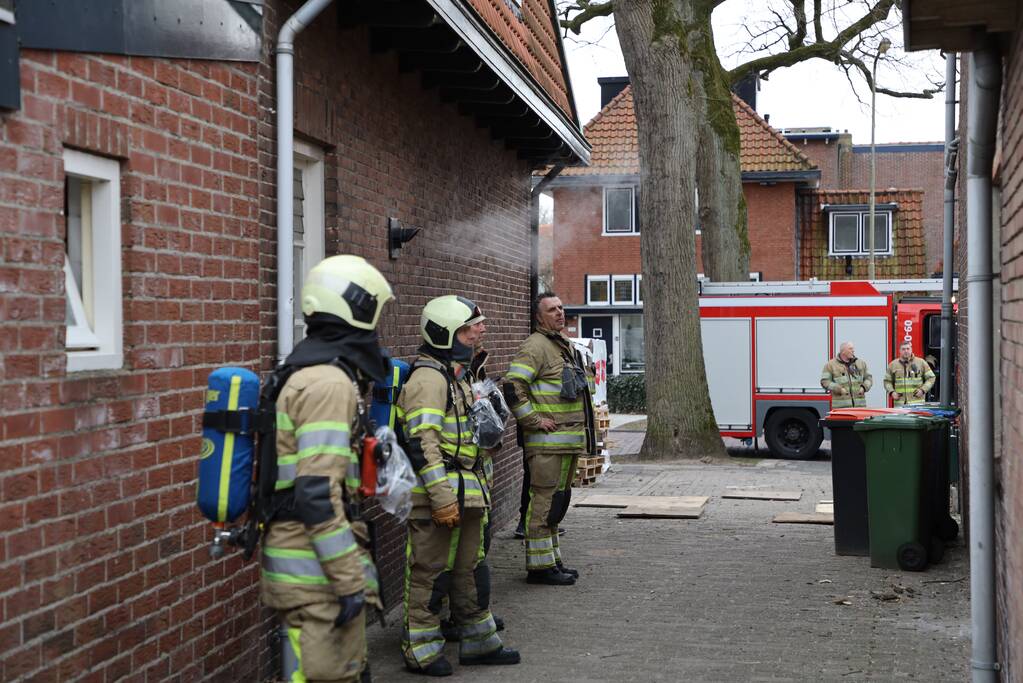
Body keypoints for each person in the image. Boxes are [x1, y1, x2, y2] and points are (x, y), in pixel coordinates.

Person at [260, 254, 394, 683]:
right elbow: (317, 493)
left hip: (303, 565)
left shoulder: (306, 371)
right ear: (356, 309)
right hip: (317, 575)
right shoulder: (328, 383)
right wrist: (350, 581)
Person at [398, 295, 520, 676]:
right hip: (440, 496)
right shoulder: (428, 380)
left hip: (467, 493)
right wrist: (441, 499)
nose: (476, 336)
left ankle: (480, 642)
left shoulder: (457, 375)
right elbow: (423, 443)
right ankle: (420, 650)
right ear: (444, 334)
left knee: (470, 569)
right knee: (430, 572)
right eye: (468, 332)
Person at [506, 292, 595, 586]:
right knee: (543, 504)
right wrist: (534, 420)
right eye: (552, 310)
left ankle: (552, 561)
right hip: (547, 444)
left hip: (566, 443)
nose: (559, 313)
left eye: (561, 308)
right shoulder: (535, 346)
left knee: (557, 504)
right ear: (538, 317)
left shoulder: (561, 345)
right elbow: (512, 386)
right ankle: (539, 568)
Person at [821, 341, 873, 408]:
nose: (853, 351)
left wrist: (864, 387)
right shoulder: (831, 365)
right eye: (850, 349)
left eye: (853, 348)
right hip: (841, 409)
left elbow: (869, 378)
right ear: (843, 351)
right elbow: (825, 382)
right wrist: (839, 389)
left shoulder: (861, 363)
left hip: (860, 408)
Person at [884, 340, 936, 406]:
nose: (906, 351)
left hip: (917, 404)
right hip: (900, 405)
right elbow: (887, 381)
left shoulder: (921, 363)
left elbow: (931, 377)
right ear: (899, 351)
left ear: (911, 350)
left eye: (908, 349)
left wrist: (923, 390)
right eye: (903, 349)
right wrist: (892, 392)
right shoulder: (893, 365)